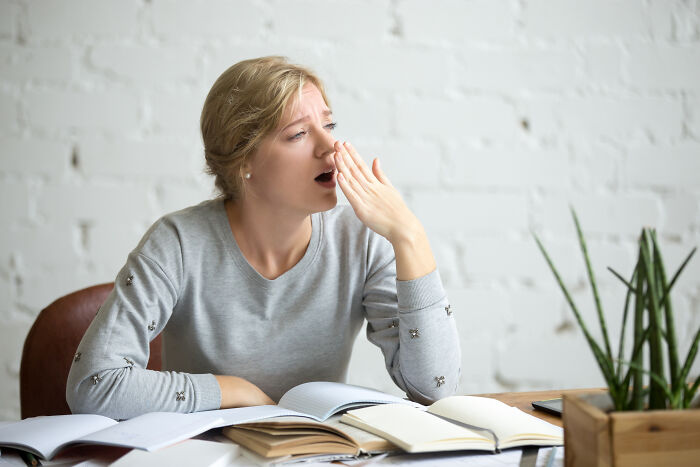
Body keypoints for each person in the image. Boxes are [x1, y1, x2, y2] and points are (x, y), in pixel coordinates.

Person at [66, 56, 461, 420]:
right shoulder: (178, 243)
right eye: (298, 134)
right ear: (244, 162)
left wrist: (410, 237)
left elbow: (434, 388)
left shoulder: (361, 241)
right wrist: (230, 391)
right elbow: (92, 384)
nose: (330, 148)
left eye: (329, 125)